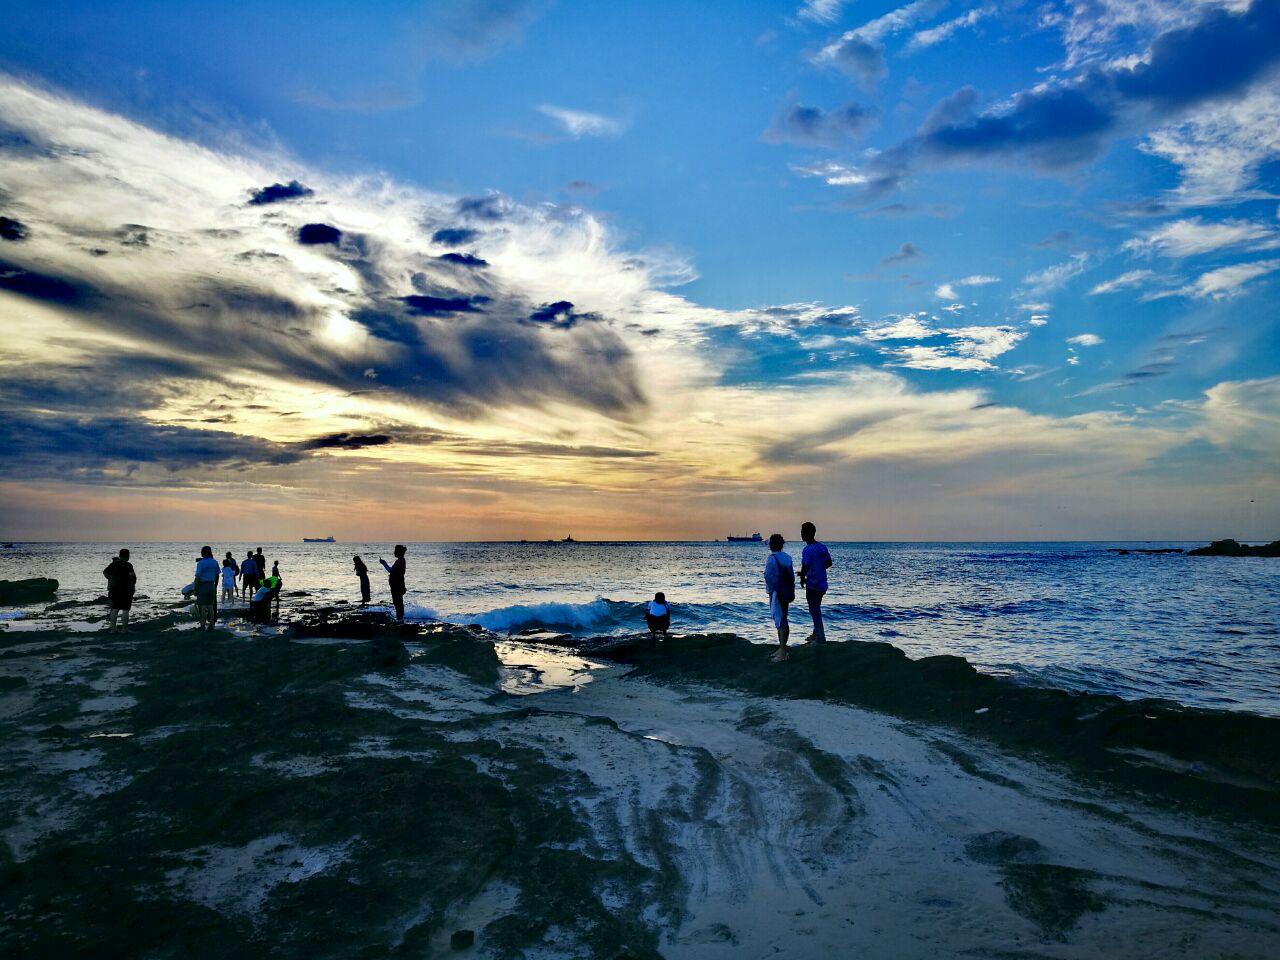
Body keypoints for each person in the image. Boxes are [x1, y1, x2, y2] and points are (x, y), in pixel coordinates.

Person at [799, 521, 834, 644]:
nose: (801, 534)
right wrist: (817, 568)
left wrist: (802, 578)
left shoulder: (807, 550)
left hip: (813, 584)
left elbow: (805, 566)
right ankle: (815, 634)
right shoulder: (822, 547)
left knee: (814, 610)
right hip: (822, 583)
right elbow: (829, 563)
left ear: (808, 533)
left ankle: (821, 638)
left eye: (802, 531)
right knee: (816, 608)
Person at [764, 533, 795, 662]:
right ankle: (782, 648)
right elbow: (791, 576)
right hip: (786, 591)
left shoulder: (771, 558)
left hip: (776, 592)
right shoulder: (787, 558)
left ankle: (783, 652)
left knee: (779, 620)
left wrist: (772, 590)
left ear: (771, 545)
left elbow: (768, 576)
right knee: (783, 618)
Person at [102, 548, 136, 634]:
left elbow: (105, 572)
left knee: (114, 609)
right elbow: (132, 576)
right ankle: (124, 630)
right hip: (126, 589)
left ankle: (113, 629)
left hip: (114, 588)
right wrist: (133, 583)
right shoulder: (128, 565)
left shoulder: (113, 564)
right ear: (128, 556)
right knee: (125, 609)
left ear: (120, 555)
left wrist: (110, 578)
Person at [193, 546, 221, 631]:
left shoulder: (201, 563)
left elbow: (197, 577)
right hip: (211, 585)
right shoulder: (215, 562)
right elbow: (217, 575)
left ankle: (202, 625)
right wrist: (215, 585)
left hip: (203, 585)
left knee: (203, 607)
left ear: (202, 553)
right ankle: (211, 625)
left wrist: (195, 589)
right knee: (210, 607)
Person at [380, 545, 407, 622]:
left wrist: (384, 563)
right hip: (398, 584)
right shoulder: (401, 560)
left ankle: (400, 619)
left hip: (396, 585)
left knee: (397, 602)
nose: (394, 552)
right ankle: (400, 619)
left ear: (398, 552)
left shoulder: (399, 561)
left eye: (395, 551)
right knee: (399, 602)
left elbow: (391, 570)